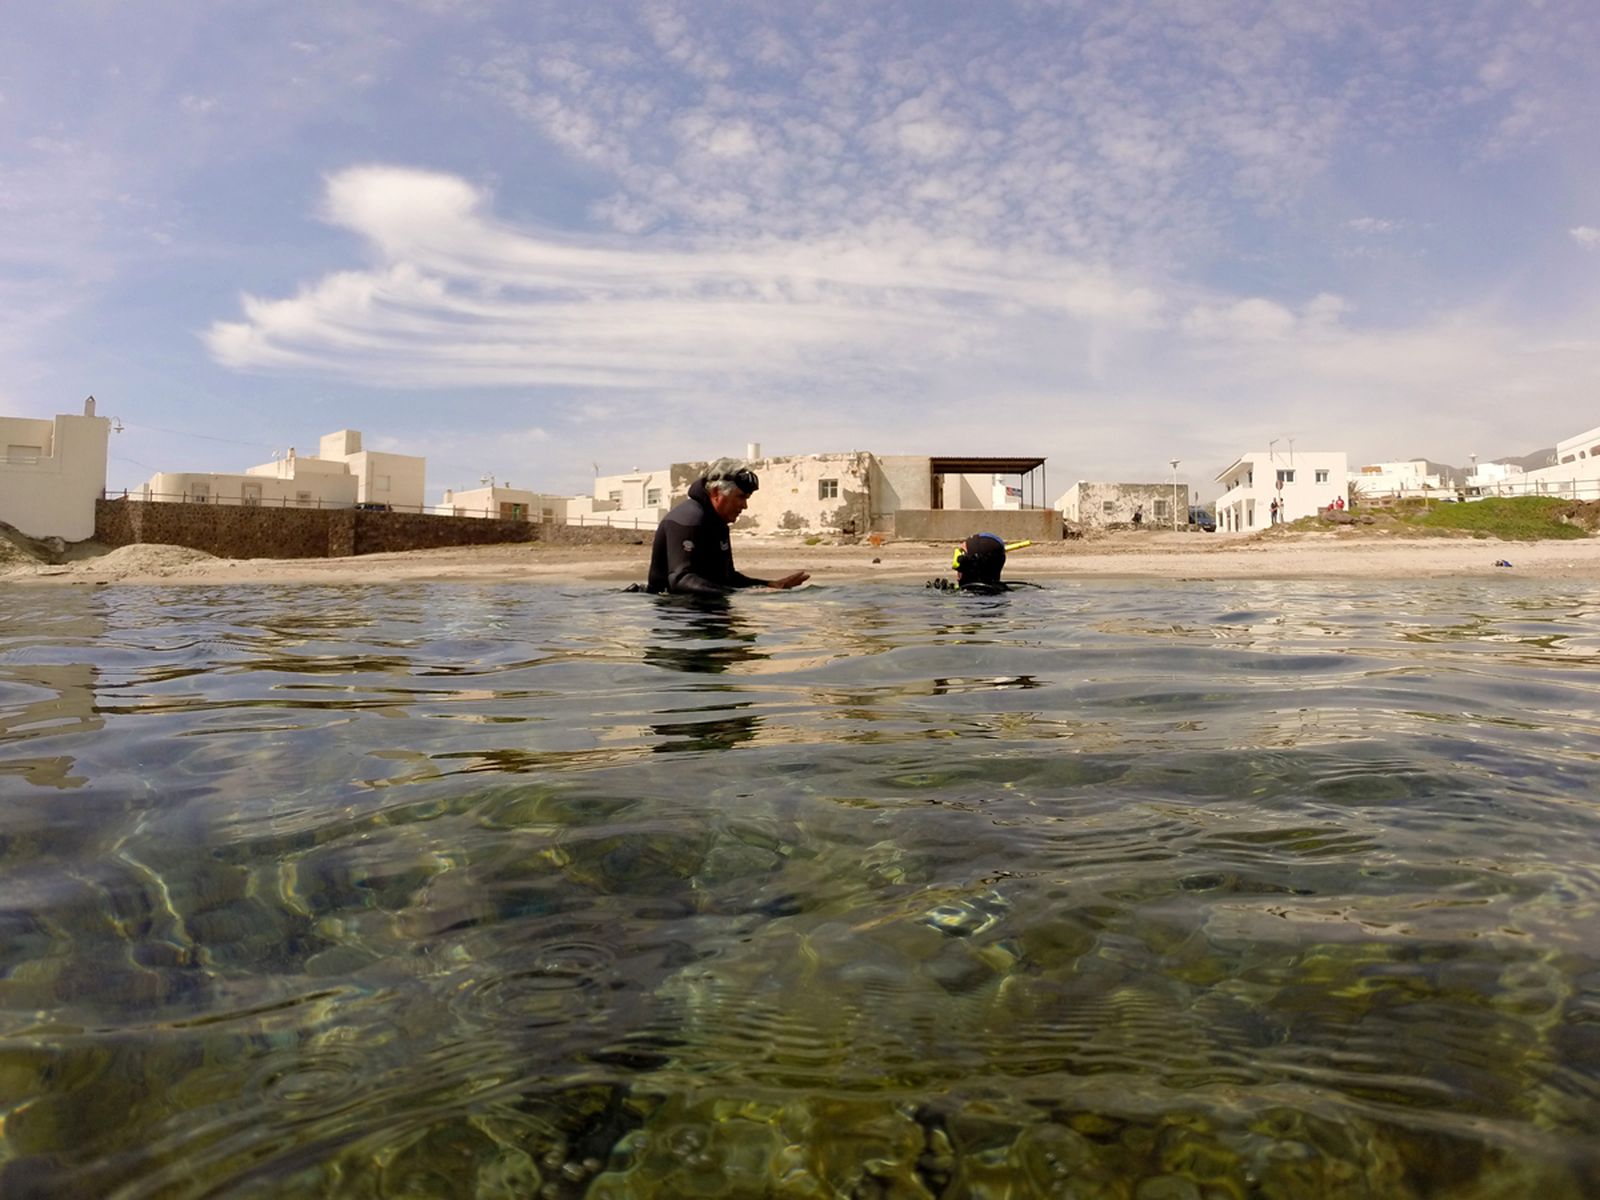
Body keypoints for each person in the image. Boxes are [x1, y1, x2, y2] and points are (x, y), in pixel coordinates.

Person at [646, 459, 810, 596]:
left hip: (704, 611)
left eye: (747, 498)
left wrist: (770, 585)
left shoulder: (719, 525)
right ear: (716, 493)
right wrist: (740, 594)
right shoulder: (688, 520)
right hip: (674, 616)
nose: (744, 506)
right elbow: (680, 580)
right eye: (740, 497)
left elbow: (728, 578)